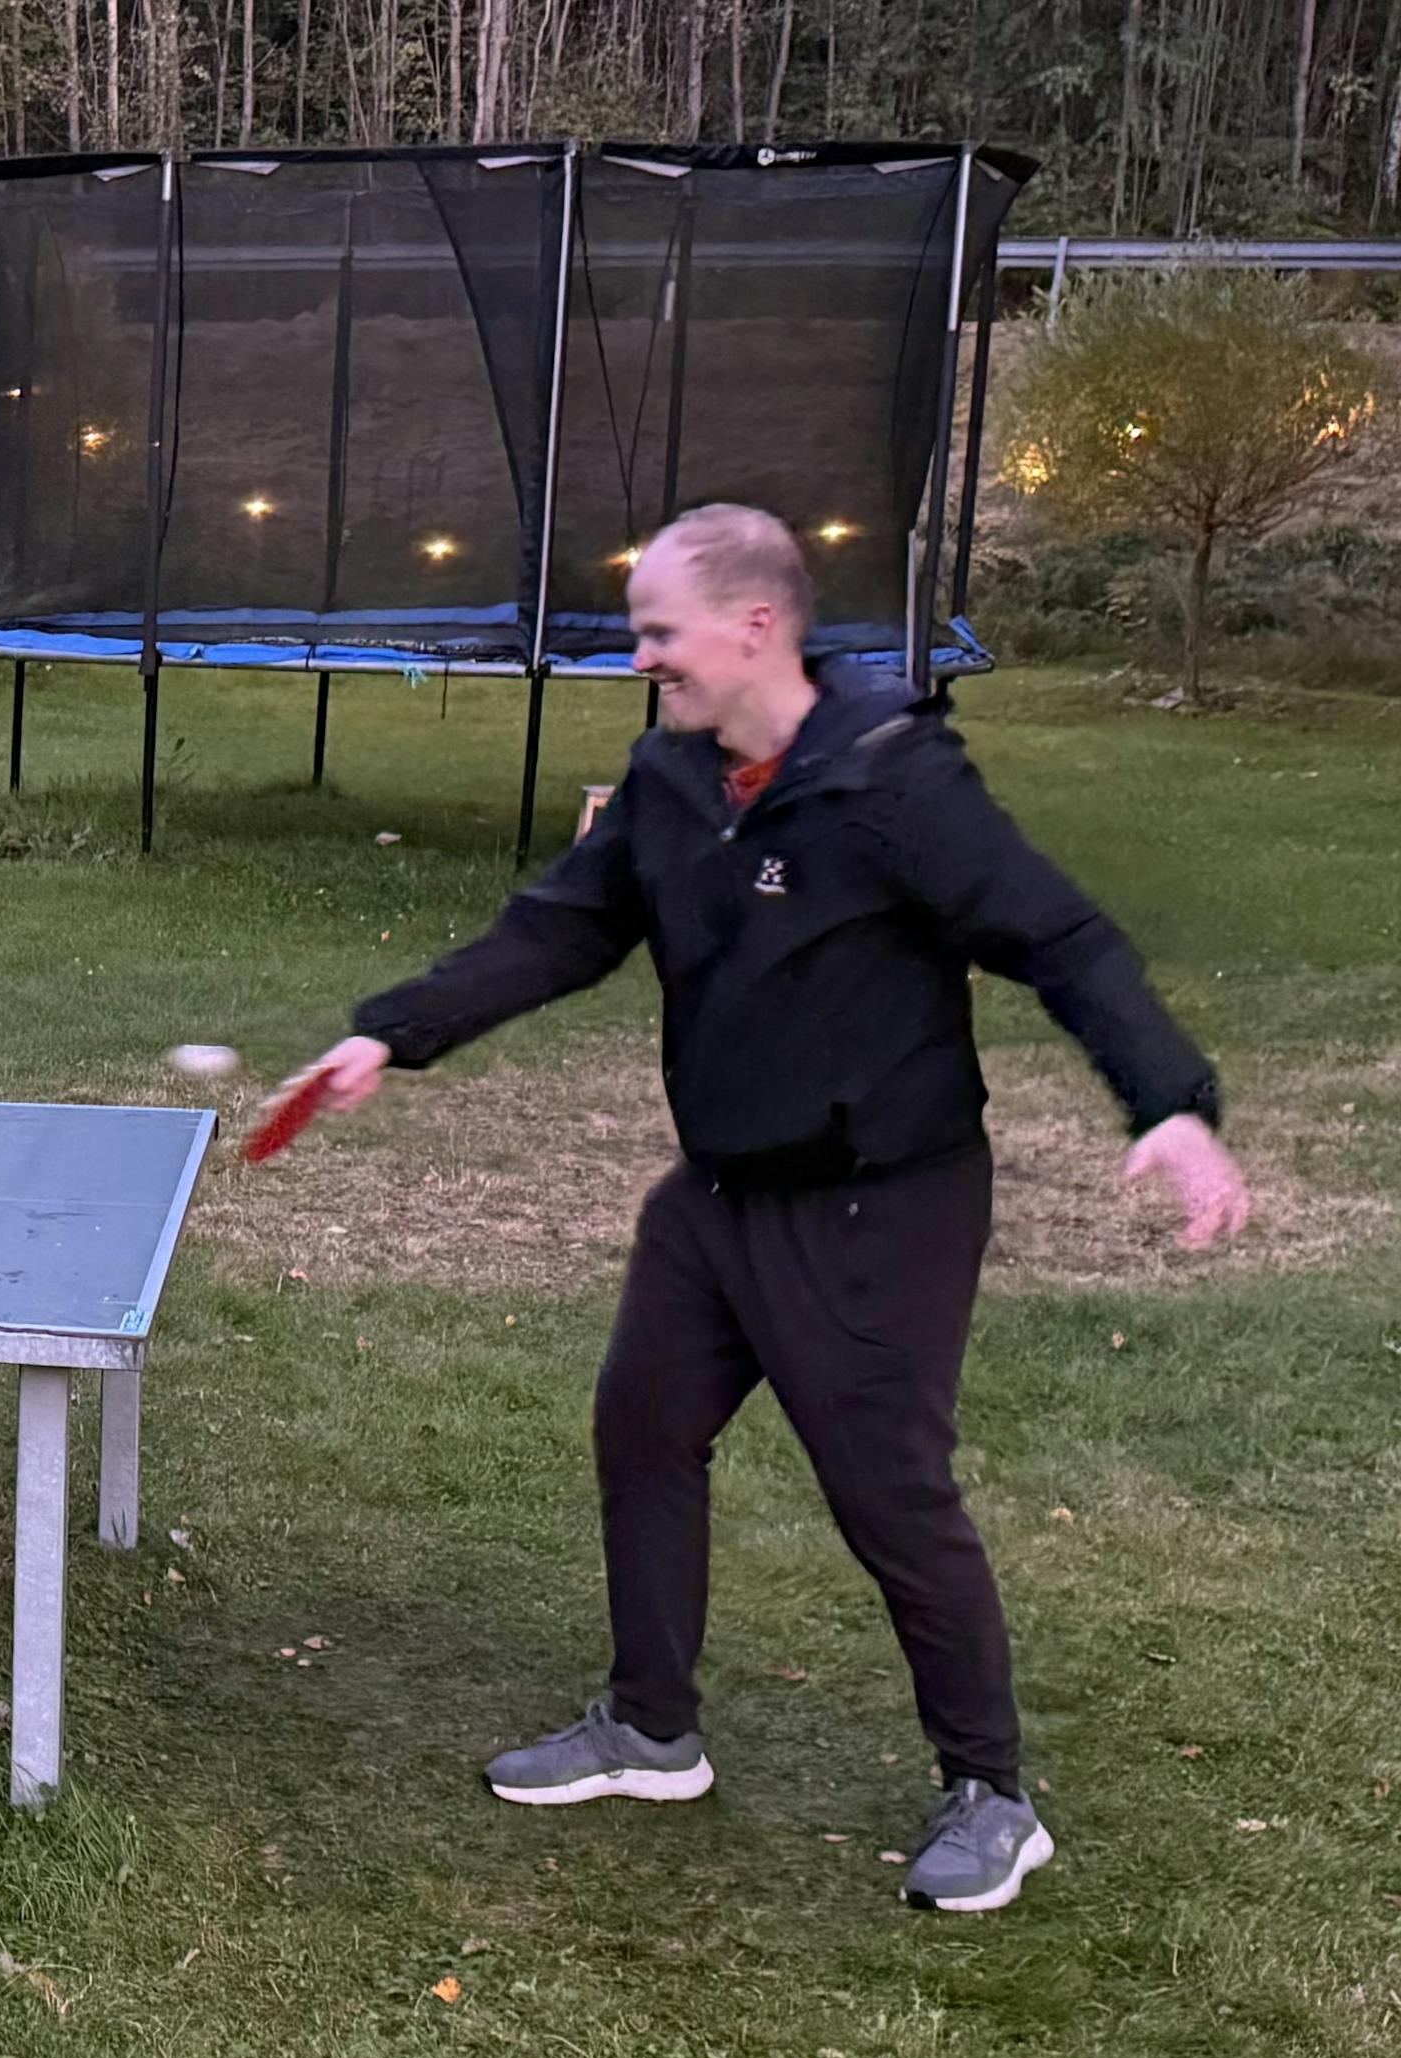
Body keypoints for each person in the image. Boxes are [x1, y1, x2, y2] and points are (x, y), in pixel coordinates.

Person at [278, 503, 1248, 1915]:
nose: (640, 656)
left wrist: (1166, 1102)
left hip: (882, 1204)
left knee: (890, 1494)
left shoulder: (892, 783)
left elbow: (1060, 934)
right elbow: (560, 927)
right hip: (718, 1195)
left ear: (756, 626)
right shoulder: (676, 781)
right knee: (645, 1424)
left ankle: (992, 1790)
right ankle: (650, 1728)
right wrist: (391, 1033)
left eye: (660, 630)